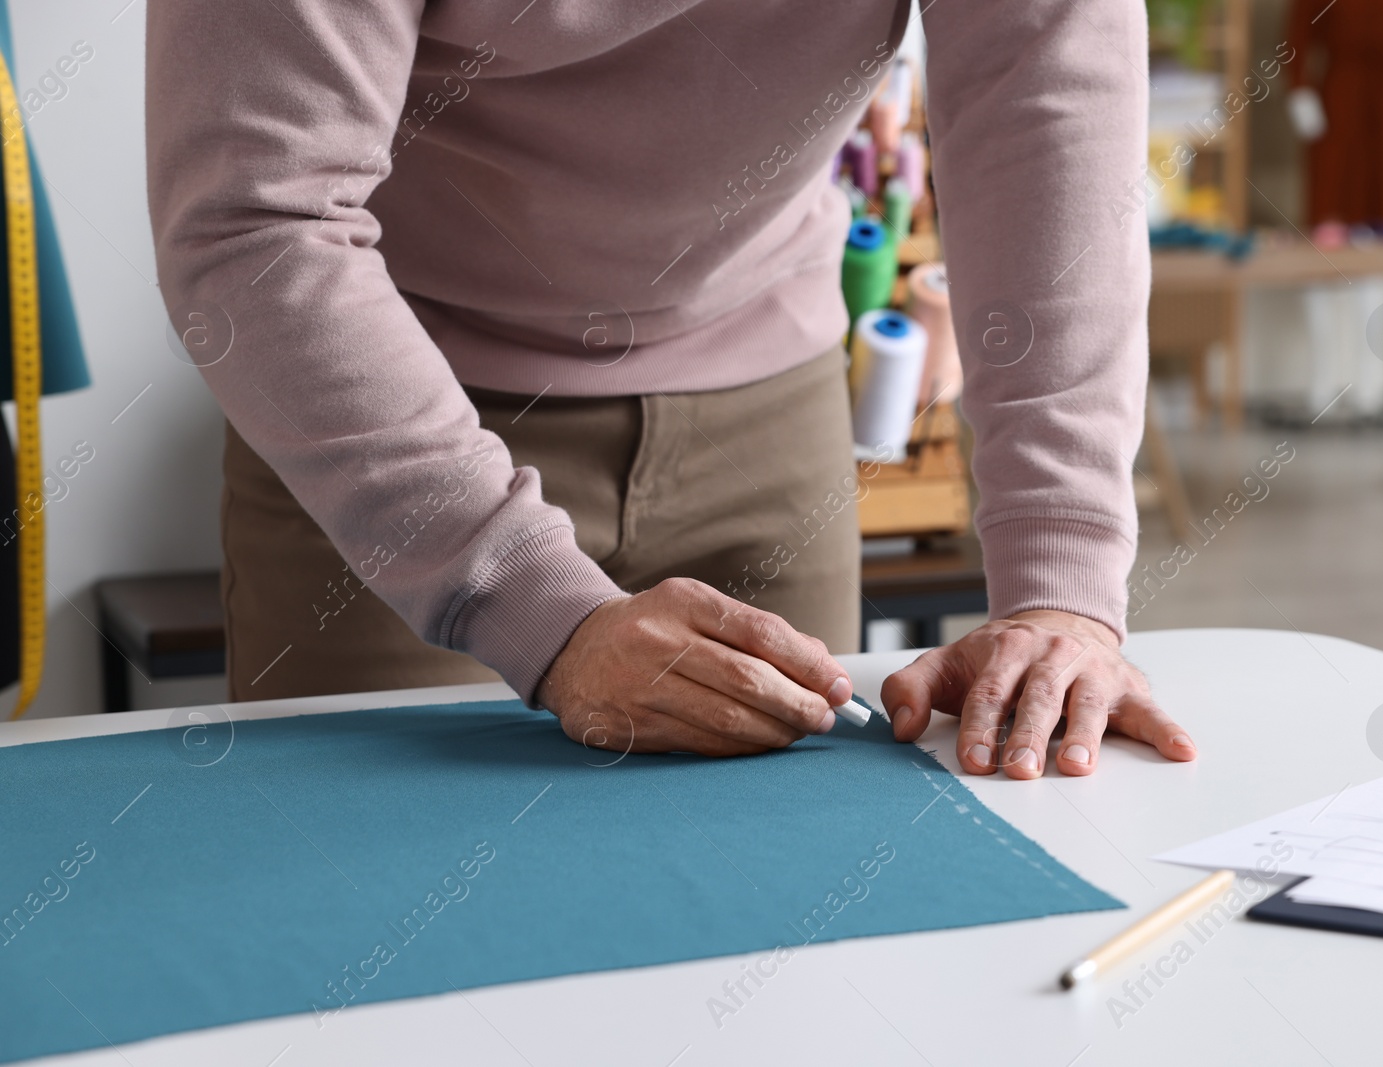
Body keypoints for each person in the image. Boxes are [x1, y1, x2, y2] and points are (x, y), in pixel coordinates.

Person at [145, 0, 1195, 780]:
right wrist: (527, 602)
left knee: (783, 928)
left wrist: (1059, 585)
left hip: (766, 400)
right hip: (405, 409)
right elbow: (255, 224)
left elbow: (1047, 100)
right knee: (374, 940)